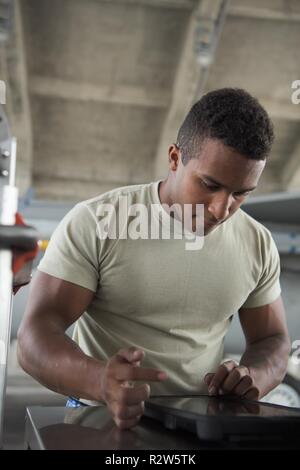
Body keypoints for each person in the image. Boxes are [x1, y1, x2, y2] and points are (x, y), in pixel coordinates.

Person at [17, 88, 291, 430]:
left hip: (200, 427)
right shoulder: (98, 221)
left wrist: (254, 376)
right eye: (209, 184)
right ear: (175, 159)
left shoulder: (257, 244)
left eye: (241, 193)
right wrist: (100, 380)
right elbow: (35, 337)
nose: (222, 210)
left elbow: (273, 340)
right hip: (100, 418)